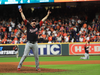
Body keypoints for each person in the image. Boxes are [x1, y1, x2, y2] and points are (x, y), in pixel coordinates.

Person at [17, 7, 51, 71]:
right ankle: (19, 66)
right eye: (33, 22)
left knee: (36, 56)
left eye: (35, 21)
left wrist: (47, 14)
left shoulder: (38, 26)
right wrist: (21, 12)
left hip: (35, 43)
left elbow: (43, 20)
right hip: (29, 43)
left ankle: (37, 67)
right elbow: (24, 18)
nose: (34, 22)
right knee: (24, 55)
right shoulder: (28, 25)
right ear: (31, 22)